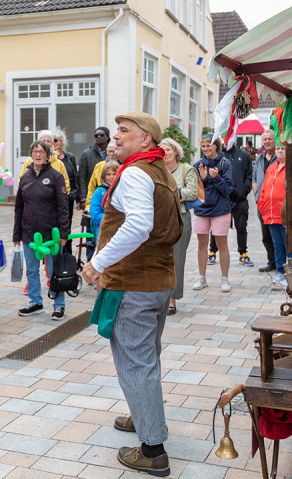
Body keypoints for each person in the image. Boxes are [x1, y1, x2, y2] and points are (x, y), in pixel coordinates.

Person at [82, 111, 182, 477]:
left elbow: (139, 225)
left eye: (125, 132)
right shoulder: (161, 172)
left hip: (136, 283)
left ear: (146, 141)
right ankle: (145, 419)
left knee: (136, 363)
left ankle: (153, 449)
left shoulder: (138, 172)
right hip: (157, 280)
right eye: (117, 131)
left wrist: (98, 262)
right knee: (145, 359)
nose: (116, 137)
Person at [14, 141, 70, 320]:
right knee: (31, 270)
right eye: (34, 151)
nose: (38, 154)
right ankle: (35, 302)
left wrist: (63, 233)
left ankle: (59, 305)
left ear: (47, 154)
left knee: (56, 270)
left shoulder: (56, 176)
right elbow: (19, 208)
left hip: (51, 235)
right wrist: (16, 233)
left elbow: (63, 207)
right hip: (29, 234)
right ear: (31, 154)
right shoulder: (25, 178)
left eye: (41, 151)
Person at [192, 135, 235, 292]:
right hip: (201, 210)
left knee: (222, 245)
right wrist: (202, 180)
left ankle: (225, 279)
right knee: (202, 244)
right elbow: (193, 191)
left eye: (209, 145)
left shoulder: (225, 164)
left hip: (221, 210)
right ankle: (201, 278)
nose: (206, 149)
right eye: (203, 146)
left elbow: (228, 190)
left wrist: (216, 179)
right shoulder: (198, 165)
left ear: (216, 146)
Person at [162, 138, 199, 315]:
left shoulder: (186, 169)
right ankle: (159, 296)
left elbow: (191, 193)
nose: (165, 152)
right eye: (162, 150)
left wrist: (170, 192)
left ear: (176, 151)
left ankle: (172, 300)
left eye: (168, 149)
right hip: (159, 219)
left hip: (180, 217)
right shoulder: (158, 170)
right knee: (159, 259)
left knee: (176, 259)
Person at [208, 139, 253, 267]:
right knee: (216, 227)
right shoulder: (217, 156)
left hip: (239, 199)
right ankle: (212, 252)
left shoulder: (244, 156)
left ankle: (243, 254)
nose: (228, 139)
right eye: (225, 137)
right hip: (221, 199)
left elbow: (249, 175)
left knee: (241, 227)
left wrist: (244, 190)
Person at [257, 145, 291, 286]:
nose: (280, 150)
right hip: (271, 214)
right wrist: (261, 206)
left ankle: (290, 273)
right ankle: (280, 272)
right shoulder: (271, 168)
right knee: (277, 245)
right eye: (278, 148)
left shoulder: (291, 168)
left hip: (285, 214)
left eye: (283, 148)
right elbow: (264, 189)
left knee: (287, 244)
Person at [252, 130, 277, 273]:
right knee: (266, 234)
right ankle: (271, 261)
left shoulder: (279, 157)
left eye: (270, 139)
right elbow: (254, 177)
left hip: (276, 202)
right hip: (262, 203)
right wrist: (257, 196)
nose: (267, 141)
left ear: (275, 140)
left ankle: (281, 261)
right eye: (265, 139)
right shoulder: (260, 158)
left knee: (278, 234)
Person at [53, 128, 79, 254]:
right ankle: (55, 254)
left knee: (66, 226)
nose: (53, 143)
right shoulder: (49, 159)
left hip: (68, 197)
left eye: (55, 140)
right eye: (51, 141)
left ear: (62, 142)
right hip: (53, 198)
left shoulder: (70, 157)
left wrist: (76, 193)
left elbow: (74, 175)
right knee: (54, 226)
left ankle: (67, 254)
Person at [21, 130, 71, 194]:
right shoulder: (29, 162)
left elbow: (65, 185)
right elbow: (22, 182)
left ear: (53, 143)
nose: (46, 143)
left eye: (48, 141)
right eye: (43, 141)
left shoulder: (59, 163)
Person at [77, 126, 110, 210]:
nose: (99, 137)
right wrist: (83, 198)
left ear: (107, 136)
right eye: (96, 135)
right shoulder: (86, 154)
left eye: (102, 134)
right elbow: (82, 177)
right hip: (92, 194)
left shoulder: (113, 152)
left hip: (109, 195)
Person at [90, 161, 119, 238]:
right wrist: (114, 217)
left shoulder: (123, 190)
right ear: (103, 176)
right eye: (108, 174)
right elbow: (95, 216)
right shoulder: (98, 193)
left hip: (120, 232)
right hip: (104, 232)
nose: (112, 177)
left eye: (114, 174)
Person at [85, 141, 118, 209]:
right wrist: (88, 206)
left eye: (114, 151)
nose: (111, 154)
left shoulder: (124, 166)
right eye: (110, 151)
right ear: (106, 151)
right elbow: (91, 188)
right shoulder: (99, 165)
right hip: (100, 204)